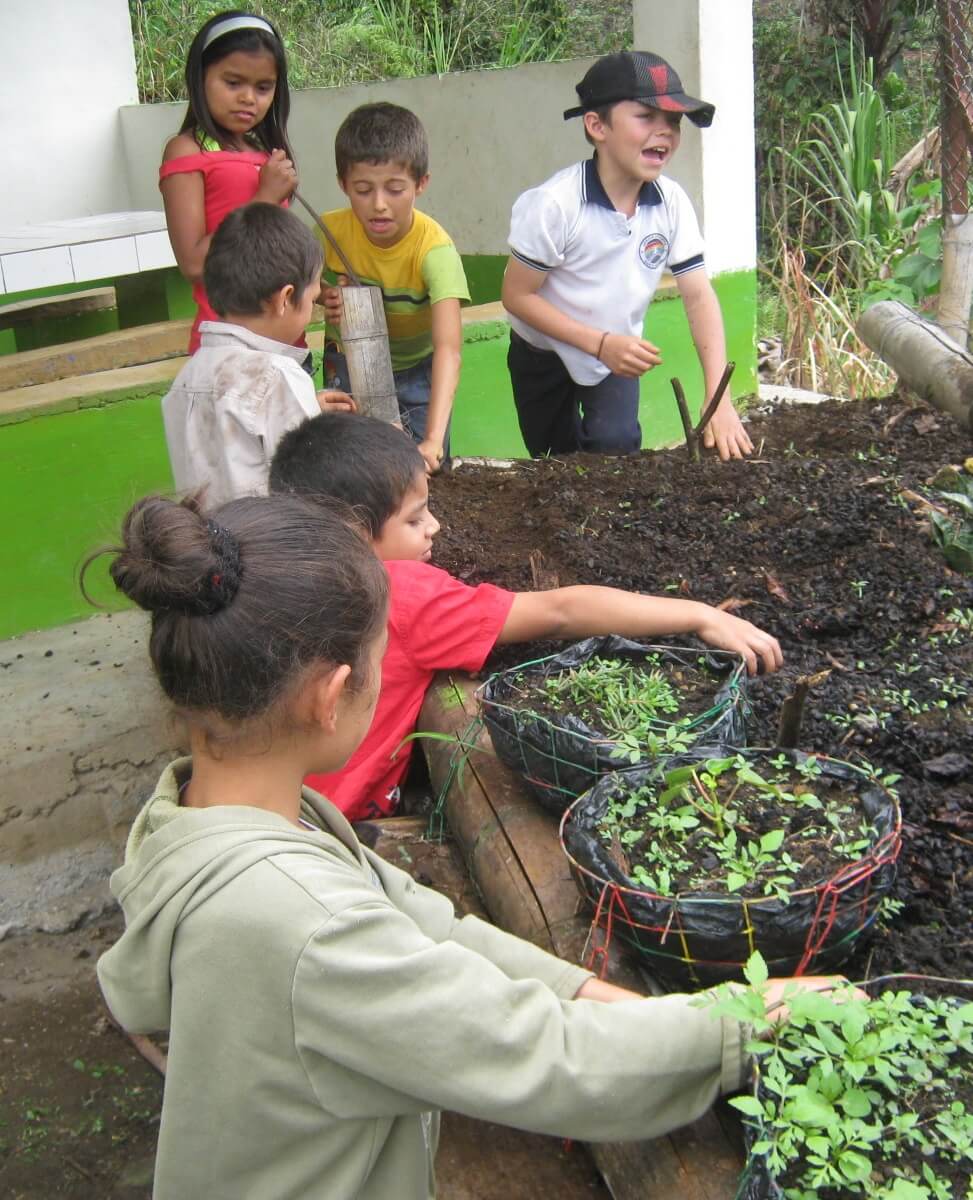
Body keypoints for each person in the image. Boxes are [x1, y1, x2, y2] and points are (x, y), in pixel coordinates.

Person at [92, 488, 840, 1200]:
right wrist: (744, 1024)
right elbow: (556, 1063)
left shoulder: (210, 814)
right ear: (331, 696)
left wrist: (585, 991)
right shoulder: (302, 925)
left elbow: (428, 925)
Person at [268, 413, 782, 821]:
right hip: (335, 823)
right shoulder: (400, 593)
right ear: (358, 532)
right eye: (415, 518)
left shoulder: (277, 568)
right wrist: (695, 616)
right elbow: (559, 612)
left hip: (268, 800)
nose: (436, 526)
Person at [502, 50, 753, 461]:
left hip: (615, 355)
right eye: (646, 117)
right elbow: (517, 296)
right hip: (542, 354)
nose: (665, 132)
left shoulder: (670, 202)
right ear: (597, 125)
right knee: (552, 462)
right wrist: (599, 343)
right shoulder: (555, 205)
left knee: (616, 452)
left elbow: (698, 296)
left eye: (673, 121)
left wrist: (718, 398)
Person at [162, 203, 353, 506]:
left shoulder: (187, 378)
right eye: (313, 299)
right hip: (268, 545)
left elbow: (232, 447)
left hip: (202, 546)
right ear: (285, 298)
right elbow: (309, 484)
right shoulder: (277, 376)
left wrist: (307, 408)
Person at [319, 102, 470, 474]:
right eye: (363, 189)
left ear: (421, 184)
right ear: (343, 185)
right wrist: (323, 295)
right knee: (355, 471)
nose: (379, 205)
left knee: (418, 471)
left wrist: (433, 440)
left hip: (418, 370)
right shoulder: (327, 232)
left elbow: (448, 350)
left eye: (395, 189)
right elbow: (291, 285)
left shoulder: (435, 252)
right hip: (350, 366)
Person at [159, 9, 304, 356]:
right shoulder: (186, 149)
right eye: (233, 82)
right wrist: (265, 198)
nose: (248, 98)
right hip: (229, 351)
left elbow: (275, 254)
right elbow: (194, 264)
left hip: (286, 347)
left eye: (263, 87)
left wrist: (315, 289)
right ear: (200, 77)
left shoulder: (262, 152)